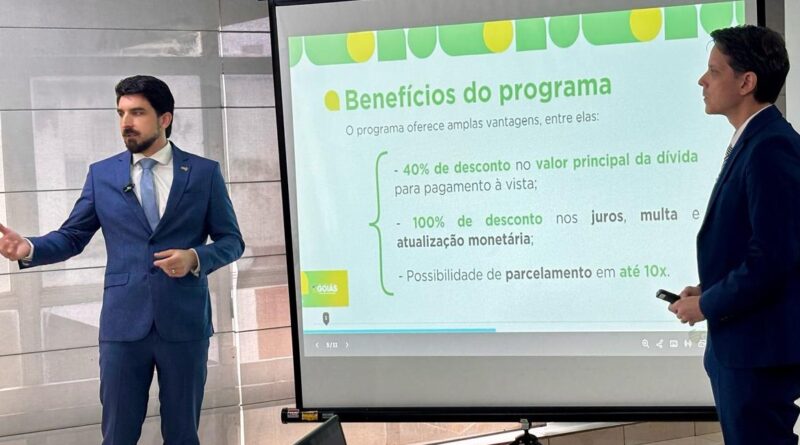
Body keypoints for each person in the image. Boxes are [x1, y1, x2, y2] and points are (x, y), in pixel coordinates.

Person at [0, 75, 244, 444]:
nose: (126, 123)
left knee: (182, 434)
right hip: (123, 324)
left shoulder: (203, 173)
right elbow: (73, 236)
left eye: (137, 113)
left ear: (164, 118)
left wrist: (195, 256)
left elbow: (232, 241)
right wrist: (29, 249)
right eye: (121, 113)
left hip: (184, 323)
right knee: (117, 435)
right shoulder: (102, 175)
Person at [670, 25, 800, 444]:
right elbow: (749, 245)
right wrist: (707, 287)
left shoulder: (771, 147)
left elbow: (773, 258)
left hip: (757, 352)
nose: (702, 81)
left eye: (714, 71)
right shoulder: (754, 141)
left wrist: (707, 304)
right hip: (743, 348)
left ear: (747, 82)